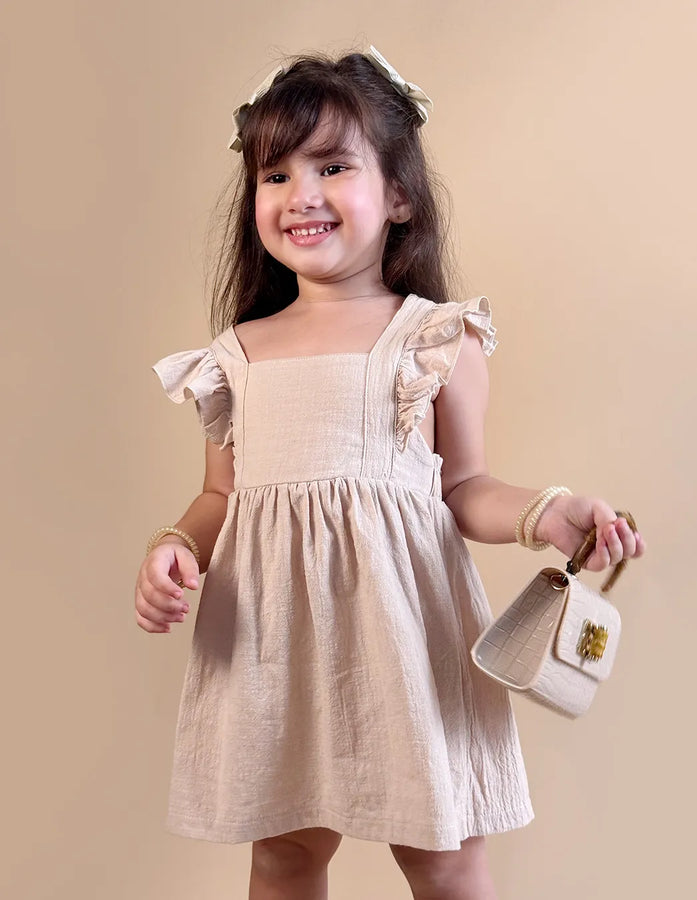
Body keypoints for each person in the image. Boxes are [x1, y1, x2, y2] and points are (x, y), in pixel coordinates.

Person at [134, 45, 645, 900]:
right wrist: (174, 545)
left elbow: (463, 489)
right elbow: (222, 495)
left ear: (399, 195)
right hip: (273, 638)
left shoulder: (431, 339)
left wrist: (547, 513)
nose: (301, 194)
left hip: (405, 633)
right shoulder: (234, 358)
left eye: (333, 166)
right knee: (284, 856)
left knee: (444, 855)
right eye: (276, 174)